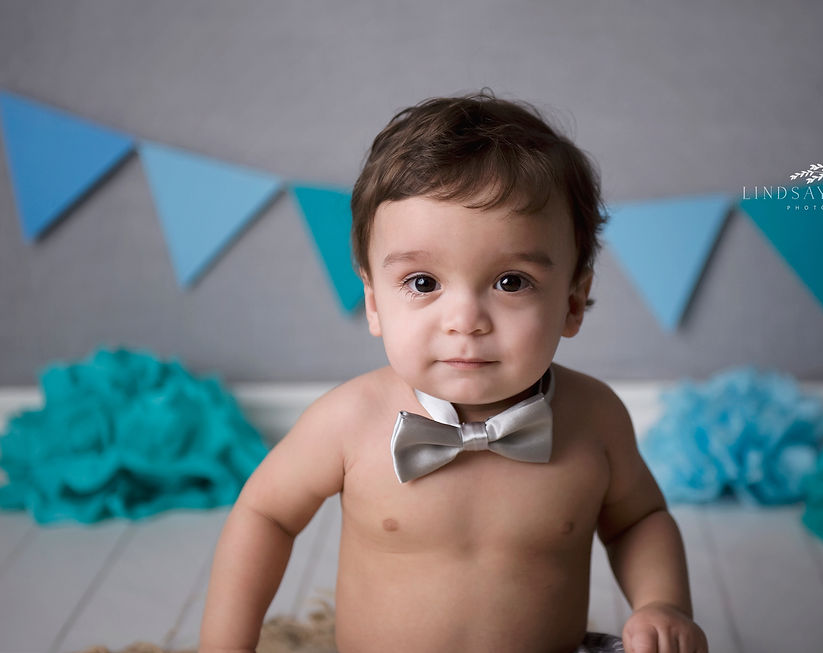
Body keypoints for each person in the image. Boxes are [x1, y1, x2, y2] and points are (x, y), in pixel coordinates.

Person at [199, 91, 708, 653]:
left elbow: (640, 520)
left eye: (511, 282)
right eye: (423, 283)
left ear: (571, 301)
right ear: (374, 302)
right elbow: (265, 515)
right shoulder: (349, 420)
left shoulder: (594, 418)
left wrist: (662, 603)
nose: (465, 320)